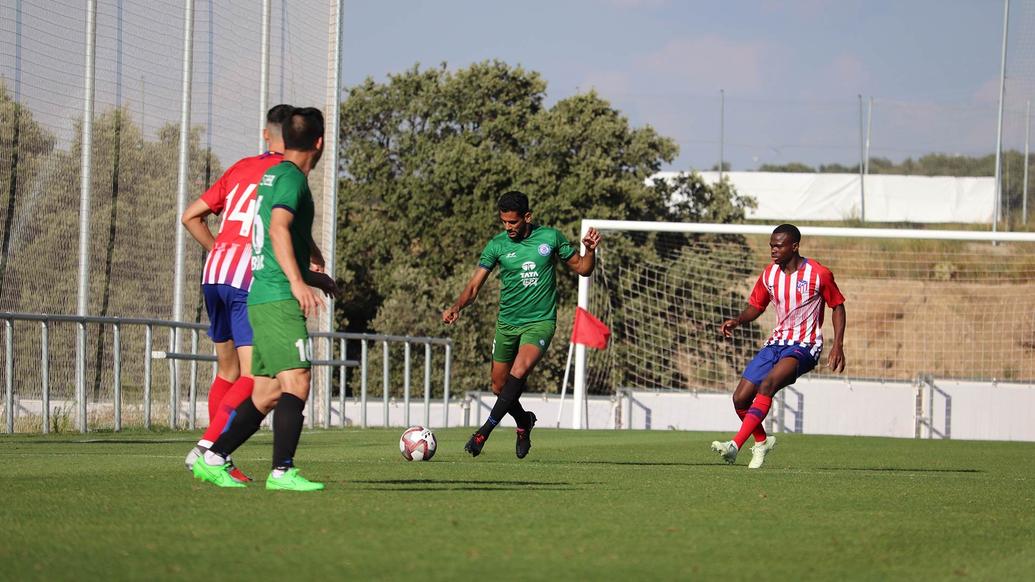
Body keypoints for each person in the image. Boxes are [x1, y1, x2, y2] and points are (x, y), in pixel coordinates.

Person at [192, 107, 338, 491]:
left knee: (268, 390)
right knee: (297, 381)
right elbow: (277, 229)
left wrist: (314, 278)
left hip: (259, 292)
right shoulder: (291, 179)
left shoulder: (271, 175)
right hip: (276, 296)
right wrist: (298, 282)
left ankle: (213, 456)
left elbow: (273, 242)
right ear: (320, 143)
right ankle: (282, 471)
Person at [181, 104, 294, 482]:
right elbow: (283, 226)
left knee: (227, 371)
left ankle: (218, 459)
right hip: (248, 276)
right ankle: (208, 448)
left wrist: (218, 249)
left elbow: (190, 216)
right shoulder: (285, 174)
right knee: (256, 372)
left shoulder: (240, 167)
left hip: (214, 272)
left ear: (266, 134)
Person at [443, 191, 601, 459]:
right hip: (507, 324)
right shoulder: (497, 245)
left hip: (539, 323)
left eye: (513, 222)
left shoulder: (550, 238)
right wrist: (457, 306)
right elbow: (473, 287)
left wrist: (589, 250)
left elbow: (584, 269)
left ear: (527, 217)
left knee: (520, 369)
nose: (508, 227)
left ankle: (484, 431)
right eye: (504, 222)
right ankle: (524, 421)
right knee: (498, 387)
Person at [711, 223, 846, 468]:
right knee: (740, 399)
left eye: (779, 246)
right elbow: (757, 306)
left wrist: (838, 344)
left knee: (768, 384)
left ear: (794, 247)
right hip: (775, 344)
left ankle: (735, 445)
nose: (773, 250)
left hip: (805, 345)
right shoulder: (769, 274)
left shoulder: (818, 273)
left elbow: (837, 305)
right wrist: (738, 320)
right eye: (771, 245)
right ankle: (762, 441)